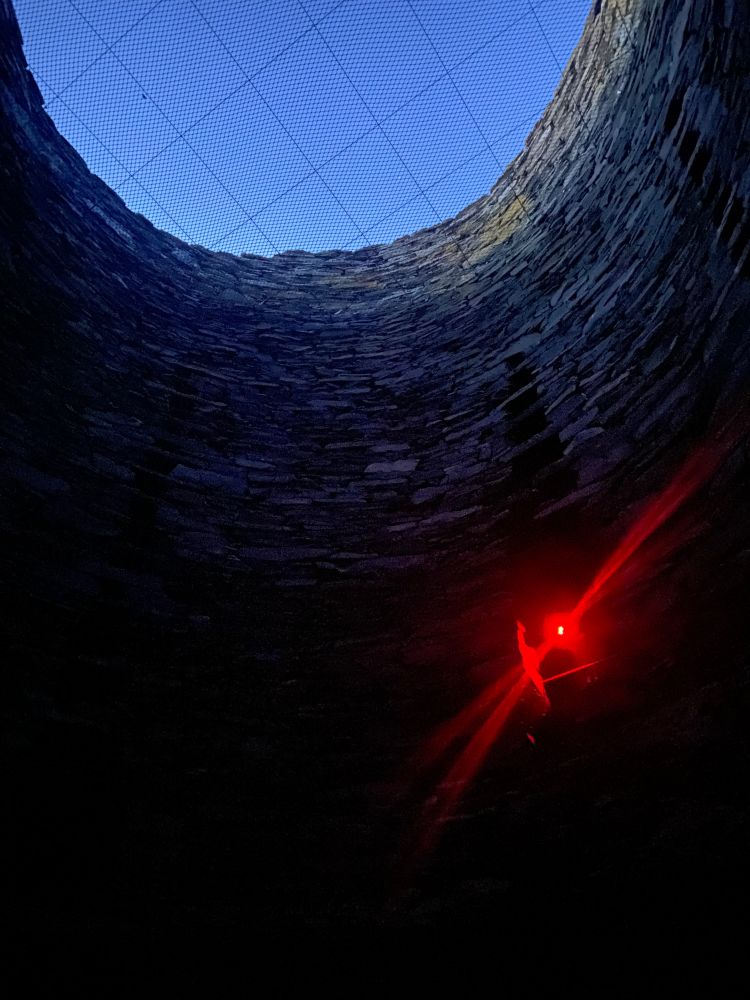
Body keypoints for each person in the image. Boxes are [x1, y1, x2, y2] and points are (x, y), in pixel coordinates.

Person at [516, 620, 551, 710]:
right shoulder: (527, 650)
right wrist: (520, 630)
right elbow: (521, 643)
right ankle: (546, 701)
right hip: (532, 667)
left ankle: (546, 701)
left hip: (533, 666)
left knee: (540, 681)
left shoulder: (530, 651)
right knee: (539, 682)